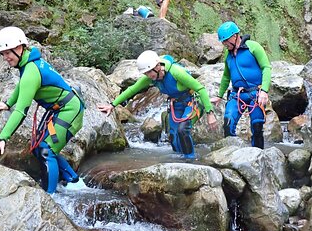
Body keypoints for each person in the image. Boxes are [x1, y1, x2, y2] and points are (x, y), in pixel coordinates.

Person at [0, 26, 84, 194]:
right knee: (38, 147)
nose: (5, 58)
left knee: (46, 150)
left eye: (7, 53)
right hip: (60, 109)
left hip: (69, 110)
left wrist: (3, 138)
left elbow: (21, 111)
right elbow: (22, 86)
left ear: (19, 48)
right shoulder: (28, 63)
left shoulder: (31, 69)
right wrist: (8, 103)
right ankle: (73, 181)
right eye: (2, 54)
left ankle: (50, 198)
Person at [97, 50, 218, 159]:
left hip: (192, 102)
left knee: (182, 130)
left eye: (149, 72)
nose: (148, 76)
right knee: (173, 135)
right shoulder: (150, 78)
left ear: (157, 66)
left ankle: (190, 159)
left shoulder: (176, 72)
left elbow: (200, 89)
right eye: (145, 73)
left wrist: (210, 113)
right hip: (176, 104)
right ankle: (180, 158)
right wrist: (112, 105)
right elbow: (132, 90)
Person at [212, 21, 271, 149]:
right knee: (228, 123)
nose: (225, 44)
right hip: (236, 95)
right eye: (223, 42)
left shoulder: (253, 47)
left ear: (235, 36)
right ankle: (230, 156)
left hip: (255, 94)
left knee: (257, 127)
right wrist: (219, 95)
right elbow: (226, 76)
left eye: (226, 41)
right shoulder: (228, 54)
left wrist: (264, 91)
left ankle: (258, 155)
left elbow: (266, 68)